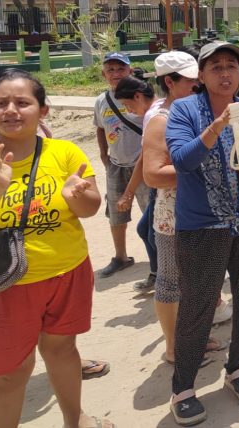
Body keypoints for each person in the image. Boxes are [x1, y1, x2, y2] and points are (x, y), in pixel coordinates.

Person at [0, 70, 110, 428]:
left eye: (23, 102)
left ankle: (74, 418)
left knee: (61, 349)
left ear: (43, 111)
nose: (12, 110)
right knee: (10, 373)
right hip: (7, 287)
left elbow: (89, 209)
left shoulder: (64, 152)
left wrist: (81, 195)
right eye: (1, 103)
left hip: (68, 272)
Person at [165, 41, 239, 425]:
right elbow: (182, 160)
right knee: (198, 307)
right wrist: (219, 124)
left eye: (232, 66)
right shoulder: (184, 109)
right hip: (203, 227)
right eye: (216, 67)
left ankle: (237, 368)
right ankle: (184, 387)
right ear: (201, 75)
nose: (225, 73)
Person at [141, 51, 226, 367]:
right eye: (190, 82)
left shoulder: (196, 110)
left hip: (206, 210)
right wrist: (208, 169)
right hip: (174, 216)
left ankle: (196, 336)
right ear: (169, 82)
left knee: (201, 280)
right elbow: (152, 174)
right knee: (170, 281)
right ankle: (174, 346)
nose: (197, 86)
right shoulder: (160, 120)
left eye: (197, 80)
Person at [93, 52, 150, 278]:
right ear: (104, 74)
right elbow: (99, 128)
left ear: (129, 70)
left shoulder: (140, 95)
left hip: (143, 165)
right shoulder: (100, 101)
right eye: (111, 69)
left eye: (120, 68)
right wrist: (104, 155)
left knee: (150, 213)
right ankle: (120, 257)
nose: (116, 73)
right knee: (116, 214)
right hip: (116, 165)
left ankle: (156, 263)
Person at [114, 72, 163, 293]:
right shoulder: (157, 109)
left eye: (126, 104)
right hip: (160, 188)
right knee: (146, 230)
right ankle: (158, 274)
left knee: (154, 234)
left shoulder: (154, 116)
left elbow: (145, 159)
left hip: (164, 188)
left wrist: (129, 192)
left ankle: (167, 278)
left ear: (137, 96)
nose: (127, 111)